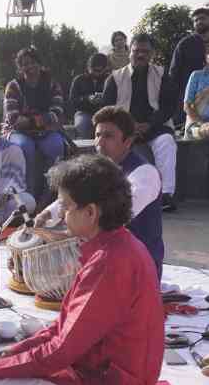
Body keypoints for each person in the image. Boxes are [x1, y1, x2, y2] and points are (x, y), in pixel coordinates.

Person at [0, 153, 186, 385]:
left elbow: (61, 350)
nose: (61, 214)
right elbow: (63, 326)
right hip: (111, 366)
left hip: (112, 384)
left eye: (66, 206)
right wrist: (13, 353)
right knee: (5, 369)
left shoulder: (110, 262)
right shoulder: (115, 244)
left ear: (91, 213)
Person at [36, 106, 164, 279]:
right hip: (103, 257)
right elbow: (72, 195)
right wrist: (46, 214)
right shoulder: (98, 168)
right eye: (97, 135)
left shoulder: (145, 174)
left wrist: (63, 235)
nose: (100, 143)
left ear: (128, 141)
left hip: (139, 268)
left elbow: (116, 217)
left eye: (108, 136)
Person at [102, 33, 179, 212]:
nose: (141, 55)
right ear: (130, 51)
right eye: (137, 51)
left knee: (167, 142)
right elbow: (106, 107)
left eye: (146, 51)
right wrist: (128, 124)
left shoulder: (162, 75)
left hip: (155, 127)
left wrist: (150, 124)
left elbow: (169, 106)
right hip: (124, 128)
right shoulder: (115, 78)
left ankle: (166, 195)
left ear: (152, 54)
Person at [3, 47, 66, 199]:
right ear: (19, 67)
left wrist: (31, 120)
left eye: (32, 63)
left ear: (39, 63)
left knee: (57, 146)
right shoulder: (13, 86)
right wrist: (41, 119)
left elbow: (57, 112)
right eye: (24, 64)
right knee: (25, 147)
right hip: (18, 132)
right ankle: (28, 196)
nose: (29, 67)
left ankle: (49, 197)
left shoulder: (52, 84)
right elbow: (14, 119)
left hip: (47, 132)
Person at [170, 4, 209, 126]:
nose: (198, 22)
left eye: (202, 18)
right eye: (195, 20)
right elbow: (174, 72)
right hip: (189, 100)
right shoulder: (185, 44)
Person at [69, 54, 110, 139]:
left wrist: (104, 98)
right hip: (84, 112)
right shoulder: (79, 80)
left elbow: (116, 99)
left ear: (105, 68)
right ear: (88, 67)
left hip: (105, 113)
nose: (97, 73)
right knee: (82, 125)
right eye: (94, 70)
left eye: (100, 70)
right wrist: (87, 99)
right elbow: (72, 100)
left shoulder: (110, 79)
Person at [184, 51, 209, 139]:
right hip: (196, 123)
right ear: (206, 57)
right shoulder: (196, 76)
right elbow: (187, 106)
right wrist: (202, 124)